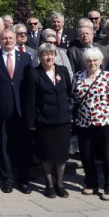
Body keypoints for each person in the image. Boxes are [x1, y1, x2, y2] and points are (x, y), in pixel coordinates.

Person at [72, 47, 109, 201]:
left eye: (95, 60)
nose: (91, 63)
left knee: (108, 157)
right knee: (87, 156)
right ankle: (91, 183)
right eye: (88, 60)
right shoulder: (78, 77)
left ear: (100, 61)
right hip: (84, 123)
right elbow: (73, 100)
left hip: (105, 122)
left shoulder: (107, 77)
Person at [0, 29, 33, 194]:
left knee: (23, 145)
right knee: (5, 145)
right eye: (4, 38)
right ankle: (7, 179)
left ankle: (24, 180)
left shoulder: (26, 58)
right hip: (3, 108)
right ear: (0, 41)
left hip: (22, 110)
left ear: (16, 39)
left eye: (10, 38)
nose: (8, 41)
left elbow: (30, 87)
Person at [27, 43, 73, 198]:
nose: (48, 57)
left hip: (63, 120)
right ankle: (49, 184)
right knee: (46, 153)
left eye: (51, 54)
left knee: (61, 154)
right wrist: (31, 122)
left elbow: (69, 92)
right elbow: (30, 100)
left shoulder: (63, 71)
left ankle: (60, 183)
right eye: (45, 54)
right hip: (44, 121)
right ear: (39, 57)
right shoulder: (34, 73)